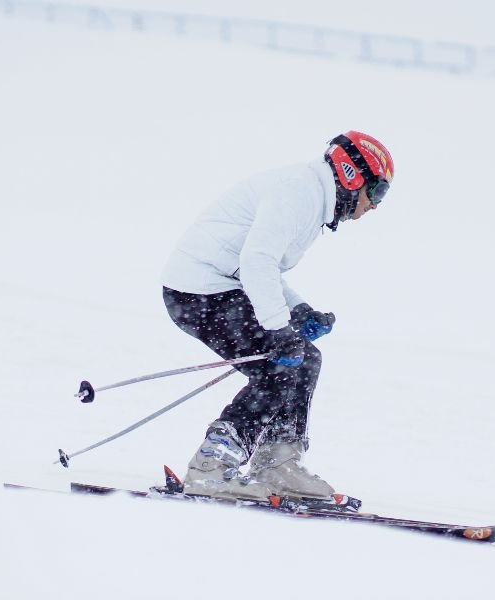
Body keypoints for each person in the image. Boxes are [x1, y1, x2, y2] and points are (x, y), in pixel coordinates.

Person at [160, 131, 394, 501]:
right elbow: (256, 261)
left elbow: (260, 265)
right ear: (352, 175)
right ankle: (211, 466)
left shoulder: (311, 196)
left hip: (217, 287)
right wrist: (277, 329)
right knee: (279, 367)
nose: (376, 205)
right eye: (378, 192)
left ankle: (277, 463)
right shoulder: (298, 192)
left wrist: (298, 311)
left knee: (305, 360)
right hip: (198, 291)